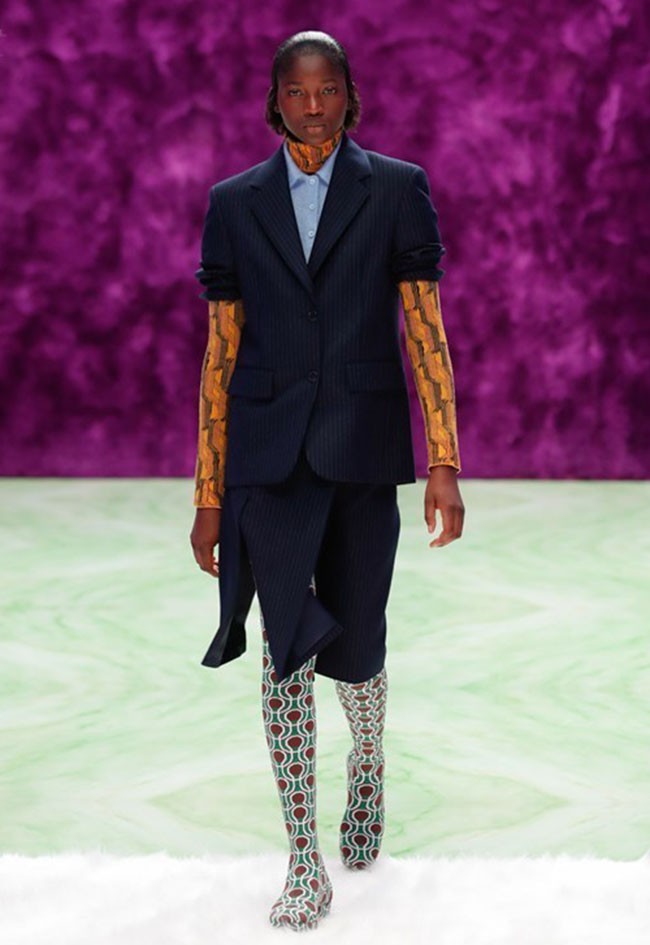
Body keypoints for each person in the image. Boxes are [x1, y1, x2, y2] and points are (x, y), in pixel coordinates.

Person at [189, 30, 465, 932]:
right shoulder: (234, 203)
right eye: (297, 92)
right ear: (275, 100)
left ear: (350, 94)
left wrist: (444, 460)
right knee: (284, 654)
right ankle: (304, 858)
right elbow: (220, 354)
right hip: (266, 460)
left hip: (361, 451)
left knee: (359, 650)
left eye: (329, 89)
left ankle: (369, 761)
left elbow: (425, 328)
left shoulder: (396, 189)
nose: (313, 106)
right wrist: (208, 493)